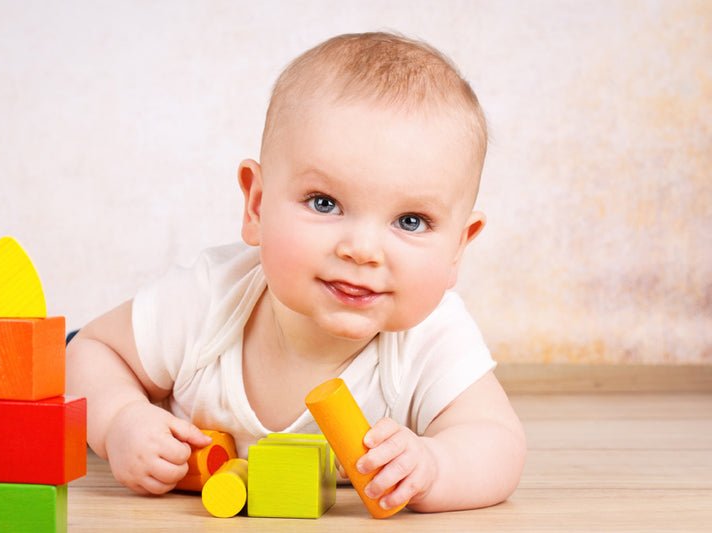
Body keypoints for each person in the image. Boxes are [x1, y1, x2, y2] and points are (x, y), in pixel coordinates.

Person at [66, 31, 526, 513]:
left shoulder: (432, 337)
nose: (362, 250)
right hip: (132, 386)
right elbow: (91, 350)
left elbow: (497, 441)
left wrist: (436, 464)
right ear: (257, 205)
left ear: (458, 248)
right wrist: (120, 419)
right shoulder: (208, 297)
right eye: (324, 204)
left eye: (411, 221)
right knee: (50, 374)